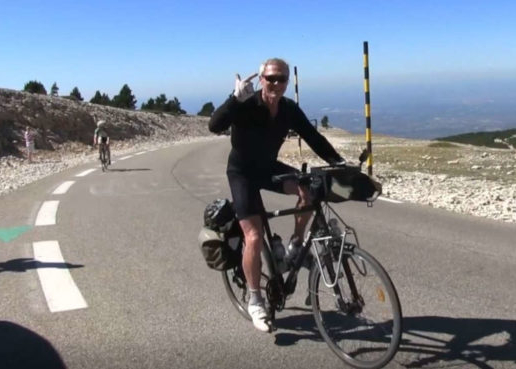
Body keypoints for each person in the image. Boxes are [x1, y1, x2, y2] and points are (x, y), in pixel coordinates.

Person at [209, 58, 344, 332]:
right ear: (261, 79)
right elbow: (215, 124)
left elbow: (313, 137)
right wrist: (234, 99)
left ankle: (295, 246)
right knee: (254, 236)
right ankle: (256, 300)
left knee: (308, 191)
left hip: (269, 168)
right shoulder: (246, 104)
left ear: (287, 82)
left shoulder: (288, 109)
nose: (276, 84)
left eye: (282, 79)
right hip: (242, 173)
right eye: (271, 78)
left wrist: (338, 162)